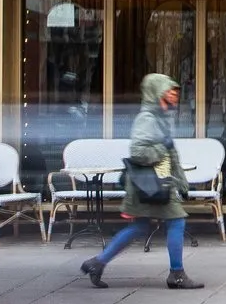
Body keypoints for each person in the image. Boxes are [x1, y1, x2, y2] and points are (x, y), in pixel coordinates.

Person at [78, 73, 200, 290]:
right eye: (169, 90)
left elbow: (171, 155)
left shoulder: (161, 117)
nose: (174, 94)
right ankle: (176, 274)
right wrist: (162, 147)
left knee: (140, 226)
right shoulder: (148, 118)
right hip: (151, 184)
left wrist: (181, 181)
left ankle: (98, 263)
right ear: (156, 93)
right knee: (176, 221)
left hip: (155, 183)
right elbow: (138, 152)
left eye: (175, 90)